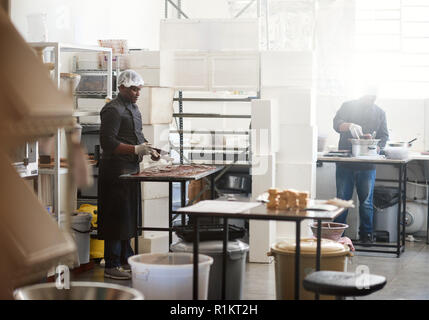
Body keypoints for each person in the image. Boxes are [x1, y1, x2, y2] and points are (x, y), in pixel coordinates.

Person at [98, 69, 159, 280]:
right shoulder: (112, 110)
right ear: (122, 87)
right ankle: (112, 264)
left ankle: (126, 260)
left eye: (139, 89)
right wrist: (135, 150)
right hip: (115, 171)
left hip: (131, 169)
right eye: (134, 89)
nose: (137, 93)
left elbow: (136, 137)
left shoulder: (134, 109)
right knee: (115, 216)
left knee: (128, 217)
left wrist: (149, 149)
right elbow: (108, 143)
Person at [332, 86, 389, 245]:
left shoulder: (379, 113)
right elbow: (336, 124)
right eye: (368, 96)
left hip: (367, 164)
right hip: (346, 161)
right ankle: (337, 235)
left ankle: (366, 235)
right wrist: (349, 125)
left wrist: (376, 146)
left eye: (373, 97)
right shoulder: (348, 106)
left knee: (366, 202)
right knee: (343, 201)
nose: (370, 99)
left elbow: (384, 136)